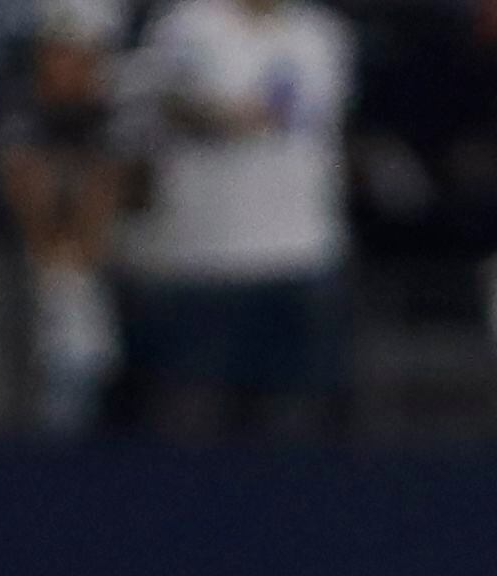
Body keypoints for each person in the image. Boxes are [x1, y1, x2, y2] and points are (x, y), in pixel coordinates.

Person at [122, 0, 354, 437]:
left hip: (302, 254)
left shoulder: (321, 34)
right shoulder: (186, 27)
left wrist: (251, 117)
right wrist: (220, 116)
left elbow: (321, 123)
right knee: (191, 422)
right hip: (203, 261)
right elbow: (170, 104)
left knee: (298, 427)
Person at [0, 0, 130, 436]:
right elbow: (23, 182)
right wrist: (51, 254)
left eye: (79, 54)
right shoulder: (20, 105)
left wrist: (78, 255)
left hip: (92, 266)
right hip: (16, 263)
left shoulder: (109, 111)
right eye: (57, 52)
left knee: (80, 366)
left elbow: (105, 187)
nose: (67, 65)